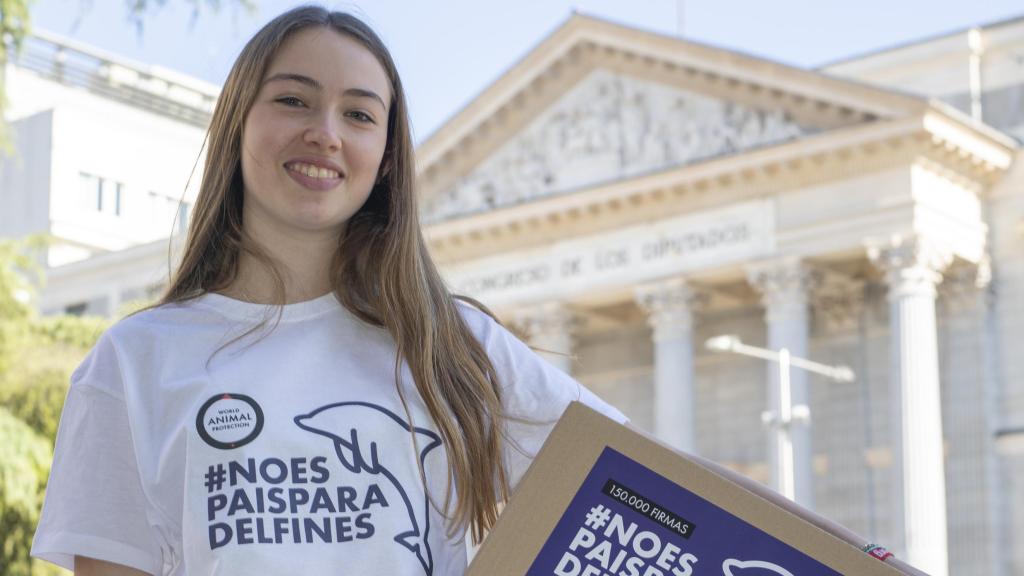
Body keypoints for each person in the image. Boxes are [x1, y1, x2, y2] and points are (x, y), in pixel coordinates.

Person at [30, 6, 626, 576]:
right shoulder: (135, 361)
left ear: (387, 158)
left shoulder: (452, 343)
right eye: (294, 101)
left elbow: (650, 486)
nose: (324, 133)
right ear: (238, 121)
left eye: (359, 115)